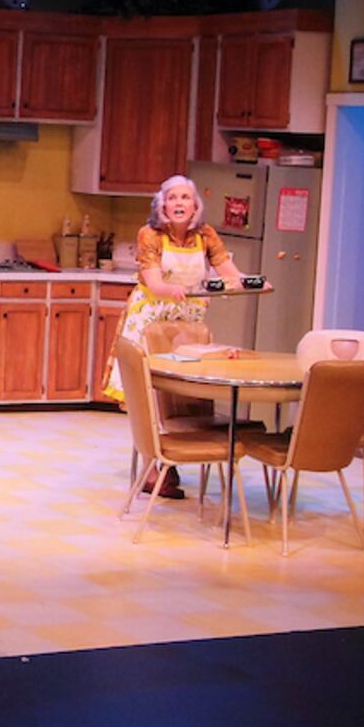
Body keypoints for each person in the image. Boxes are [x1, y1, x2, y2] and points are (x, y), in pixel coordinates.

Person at [101, 174, 252, 498]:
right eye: (172, 198)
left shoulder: (206, 236)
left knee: (181, 395)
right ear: (162, 204)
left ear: (195, 205)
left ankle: (176, 456)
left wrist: (253, 284)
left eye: (185, 198)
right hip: (151, 321)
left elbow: (230, 274)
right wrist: (176, 290)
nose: (179, 203)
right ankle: (152, 468)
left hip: (188, 327)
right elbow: (155, 283)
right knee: (149, 396)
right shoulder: (150, 235)